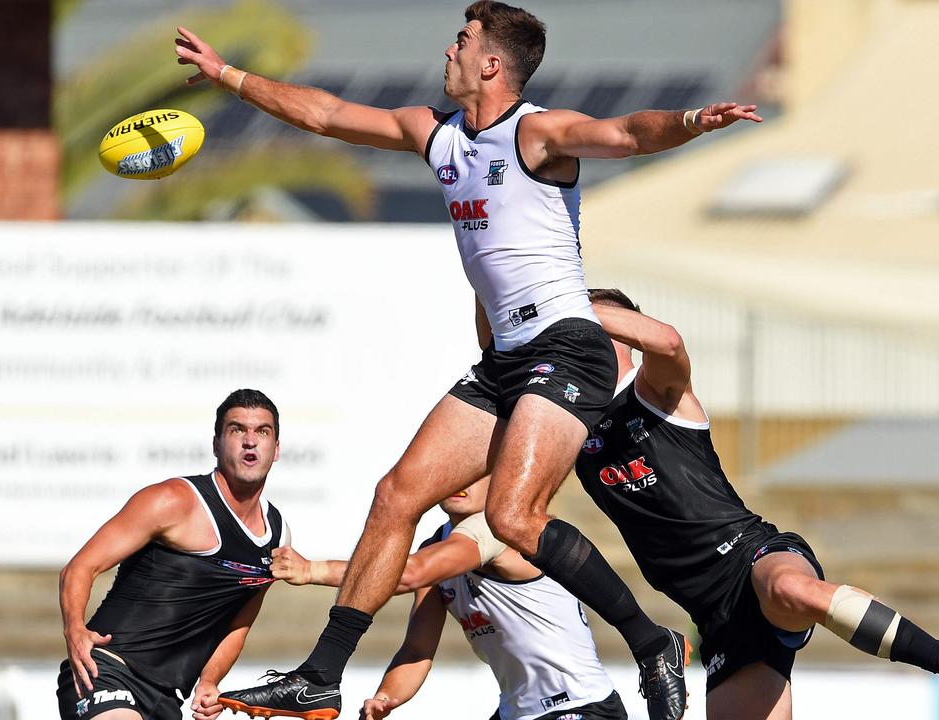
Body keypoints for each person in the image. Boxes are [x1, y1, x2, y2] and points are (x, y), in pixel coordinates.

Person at [176, 3, 760, 718]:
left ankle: (651, 643)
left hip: (567, 348)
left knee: (514, 518)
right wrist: (229, 76)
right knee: (396, 495)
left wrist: (694, 121)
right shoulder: (437, 133)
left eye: (462, 40)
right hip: (506, 358)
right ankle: (321, 676)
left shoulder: (536, 134)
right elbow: (325, 114)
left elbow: (626, 132)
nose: (447, 49)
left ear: (491, 63)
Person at [574, 289, 939, 719]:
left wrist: (564, 302)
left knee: (788, 589)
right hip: (715, 617)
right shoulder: (565, 423)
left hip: (750, 559)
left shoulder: (653, 389)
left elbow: (668, 341)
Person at [266, 477, 625, 720]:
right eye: (455, 470)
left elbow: (405, 574)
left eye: (475, 472)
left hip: (581, 705)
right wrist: (386, 697)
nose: (461, 481)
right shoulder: (435, 546)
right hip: (516, 711)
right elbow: (416, 650)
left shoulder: (503, 529)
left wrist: (312, 570)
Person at [57, 389, 290, 720]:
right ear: (216, 444)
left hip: (167, 699)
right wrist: (75, 629)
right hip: (107, 669)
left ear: (276, 448)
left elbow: (238, 622)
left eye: (262, 432)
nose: (250, 441)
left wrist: (209, 681)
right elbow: (79, 568)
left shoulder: (275, 534)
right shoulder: (174, 500)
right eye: (237, 430)